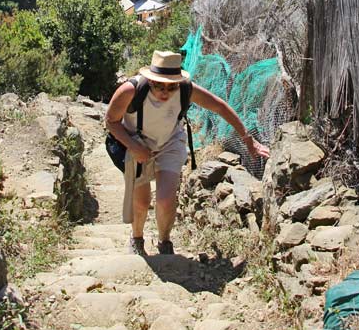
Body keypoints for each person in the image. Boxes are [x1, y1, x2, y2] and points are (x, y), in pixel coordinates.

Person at [105, 50, 270, 256]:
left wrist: (248, 140)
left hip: (170, 143)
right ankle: (137, 238)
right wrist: (134, 147)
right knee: (142, 200)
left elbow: (220, 107)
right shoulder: (130, 90)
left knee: (166, 199)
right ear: (149, 80)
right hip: (137, 142)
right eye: (159, 85)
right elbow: (111, 121)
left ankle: (164, 242)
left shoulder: (186, 89)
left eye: (171, 86)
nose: (165, 92)